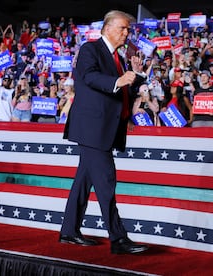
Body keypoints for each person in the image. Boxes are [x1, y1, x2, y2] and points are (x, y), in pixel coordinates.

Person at [60, 10, 149, 255]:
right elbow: (88, 77)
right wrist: (118, 81)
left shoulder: (118, 58)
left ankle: (69, 231)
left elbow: (121, 94)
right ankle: (118, 238)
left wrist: (136, 77)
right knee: (106, 181)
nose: (127, 33)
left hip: (105, 130)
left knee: (83, 182)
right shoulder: (91, 49)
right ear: (108, 28)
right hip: (92, 130)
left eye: (128, 29)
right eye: (123, 28)